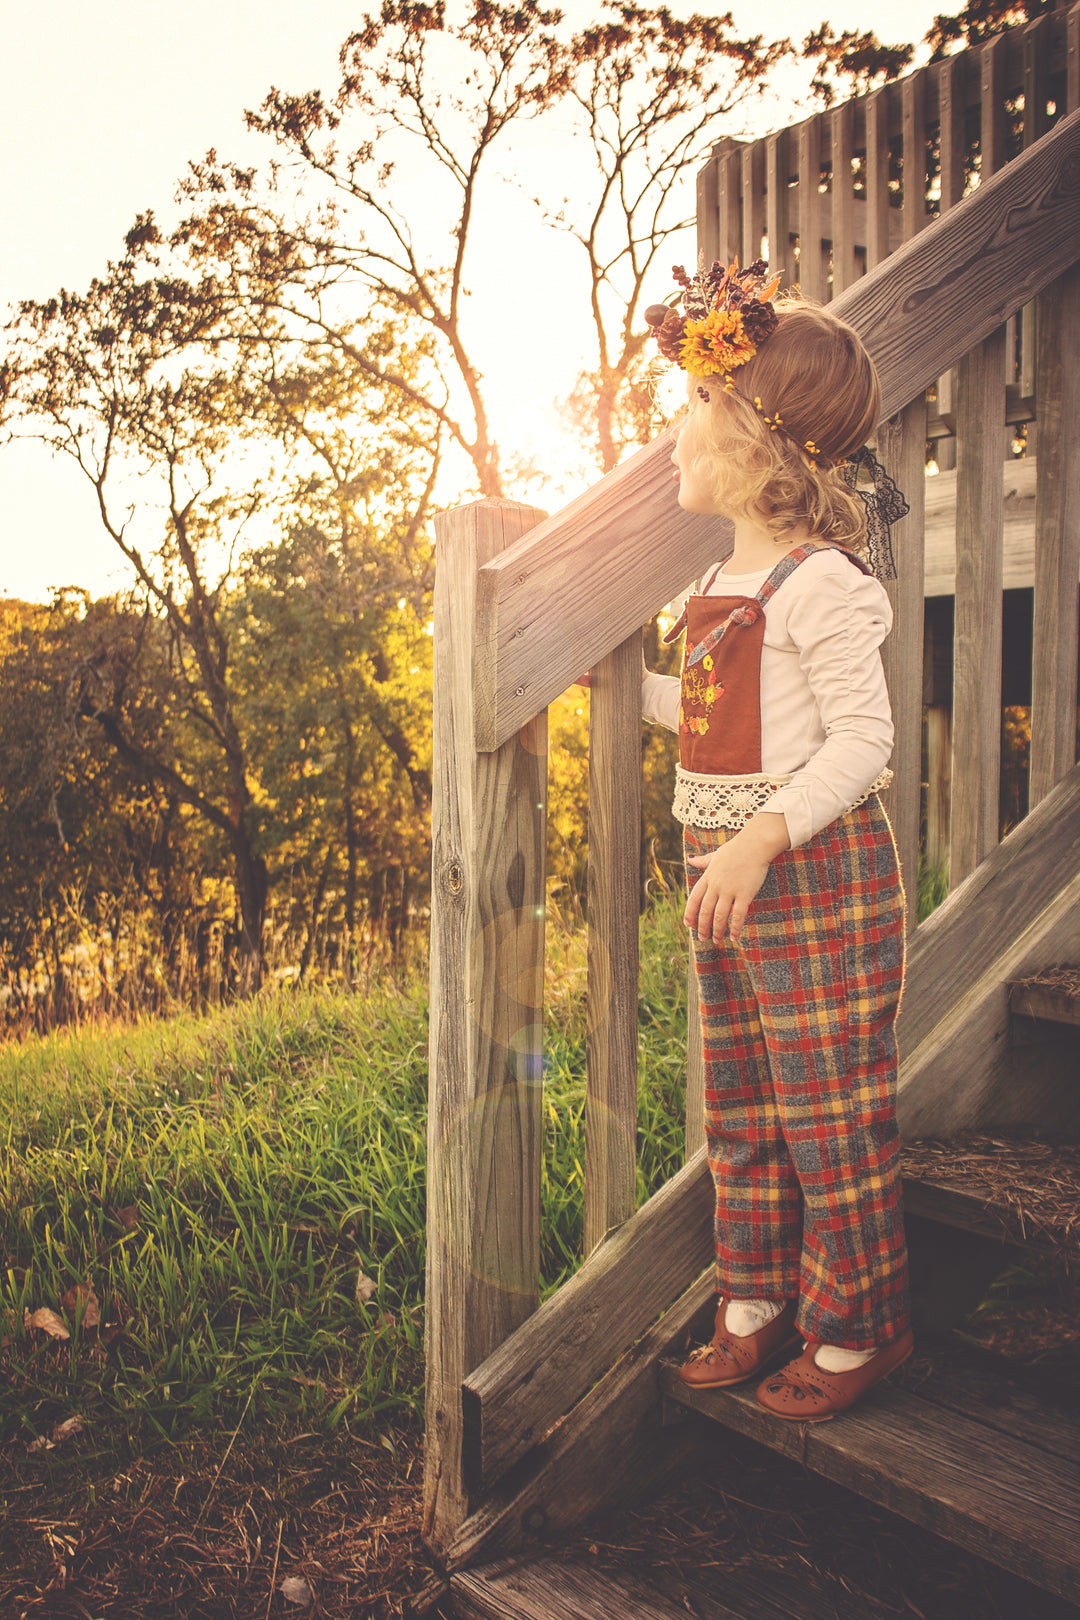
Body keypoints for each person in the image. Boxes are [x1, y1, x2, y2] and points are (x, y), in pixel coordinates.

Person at [641, 261, 913, 1421]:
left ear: (759, 437)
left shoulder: (824, 585)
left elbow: (863, 742)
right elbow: (714, 720)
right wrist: (628, 697)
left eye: (697, 405)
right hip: (727, 878)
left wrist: (758, 840)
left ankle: (861, 1325)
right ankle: (754, 1299)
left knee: (825, 1109)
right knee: (740, 1107)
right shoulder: (719, 577)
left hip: (810, 879)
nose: (675, 425)